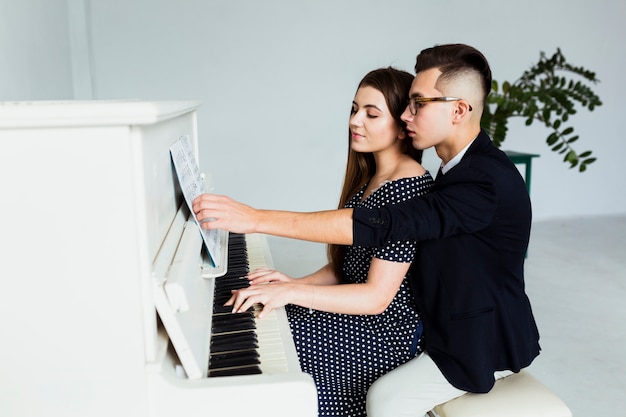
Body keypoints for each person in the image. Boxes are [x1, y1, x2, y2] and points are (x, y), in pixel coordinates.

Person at [192, 43, 541, 417]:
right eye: (407, 103)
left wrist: (255, 219)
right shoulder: (451, 169)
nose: (407, 115)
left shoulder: (484, 181)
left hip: (474, 342)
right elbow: (364, 257)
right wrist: (296, 285)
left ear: (458, 110)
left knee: (383, 399)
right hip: (434, 321)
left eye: (418, 104)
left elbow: (382, 228)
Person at [224, 67, 433, 417]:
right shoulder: (371, 179)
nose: (355, 121)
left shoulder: (409, 188)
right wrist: (294, 283)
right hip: (360, 318)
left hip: (385, 334)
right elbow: (348, 267)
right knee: (271, 317)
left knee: (282, 338)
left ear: (402, 126)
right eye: (354, 109)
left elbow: (376, 297)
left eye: (371, 113)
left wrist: (291, 293)